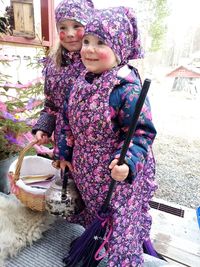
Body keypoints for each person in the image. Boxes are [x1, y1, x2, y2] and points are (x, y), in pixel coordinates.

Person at [58, 6, 157, 266]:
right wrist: (64, 153)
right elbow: (66, 121)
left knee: (121, 221)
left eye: (101, 42)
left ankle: (123, 257)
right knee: (96, 214)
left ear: (120, 49)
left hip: (117, 175)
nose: (89, 48)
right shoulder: (80, 82)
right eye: (87, 41)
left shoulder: (126, 90)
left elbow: (141, 132)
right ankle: (95, 243)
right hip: (87, 172)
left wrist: (128, 162)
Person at [32, 0, 94, 160]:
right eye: (63, 28)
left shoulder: (98, 61)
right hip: (63, 147)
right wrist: (44, 128)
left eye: (76, 26)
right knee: (66, 183)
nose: (70, 33)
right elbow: (51, 106)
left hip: (94, 147)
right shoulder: (54, 66)